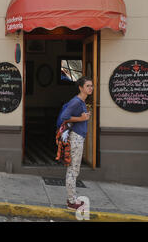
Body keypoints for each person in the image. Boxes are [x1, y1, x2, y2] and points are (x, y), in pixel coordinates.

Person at [60, 76, 93, 210]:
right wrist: (81, 118)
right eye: (88, 86)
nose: (91, 88)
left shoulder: (82, 102)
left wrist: (83, 118)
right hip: (76, 138)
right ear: (80, 87)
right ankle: (71, 201)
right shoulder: (77, 101)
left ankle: (72, 198)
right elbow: (64, 117)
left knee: (74, 169)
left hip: (78, 137)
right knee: (73, 170)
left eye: (91, 86)